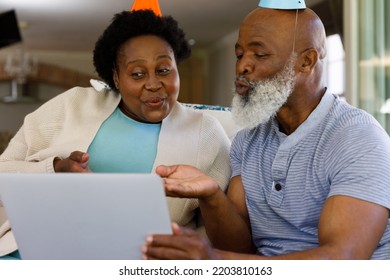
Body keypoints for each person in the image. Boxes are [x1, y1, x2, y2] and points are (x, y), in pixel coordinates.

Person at [141, 6, 390, 260]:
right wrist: (212, 195)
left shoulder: (359, 139)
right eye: (240, 54)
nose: (243, 66)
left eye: (259, 55)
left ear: (306, 61)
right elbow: (239, 248)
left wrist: (215, 262)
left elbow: (343, 260)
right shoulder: (247, 139)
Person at [0, 9, 231, 259]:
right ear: (116, 78)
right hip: (33, 253)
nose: (153, 83)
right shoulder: (72, 105)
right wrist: (55, 168)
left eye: (164, 70)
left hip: (133, 261)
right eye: (137, 74)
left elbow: (220, 235)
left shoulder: (206, 133)